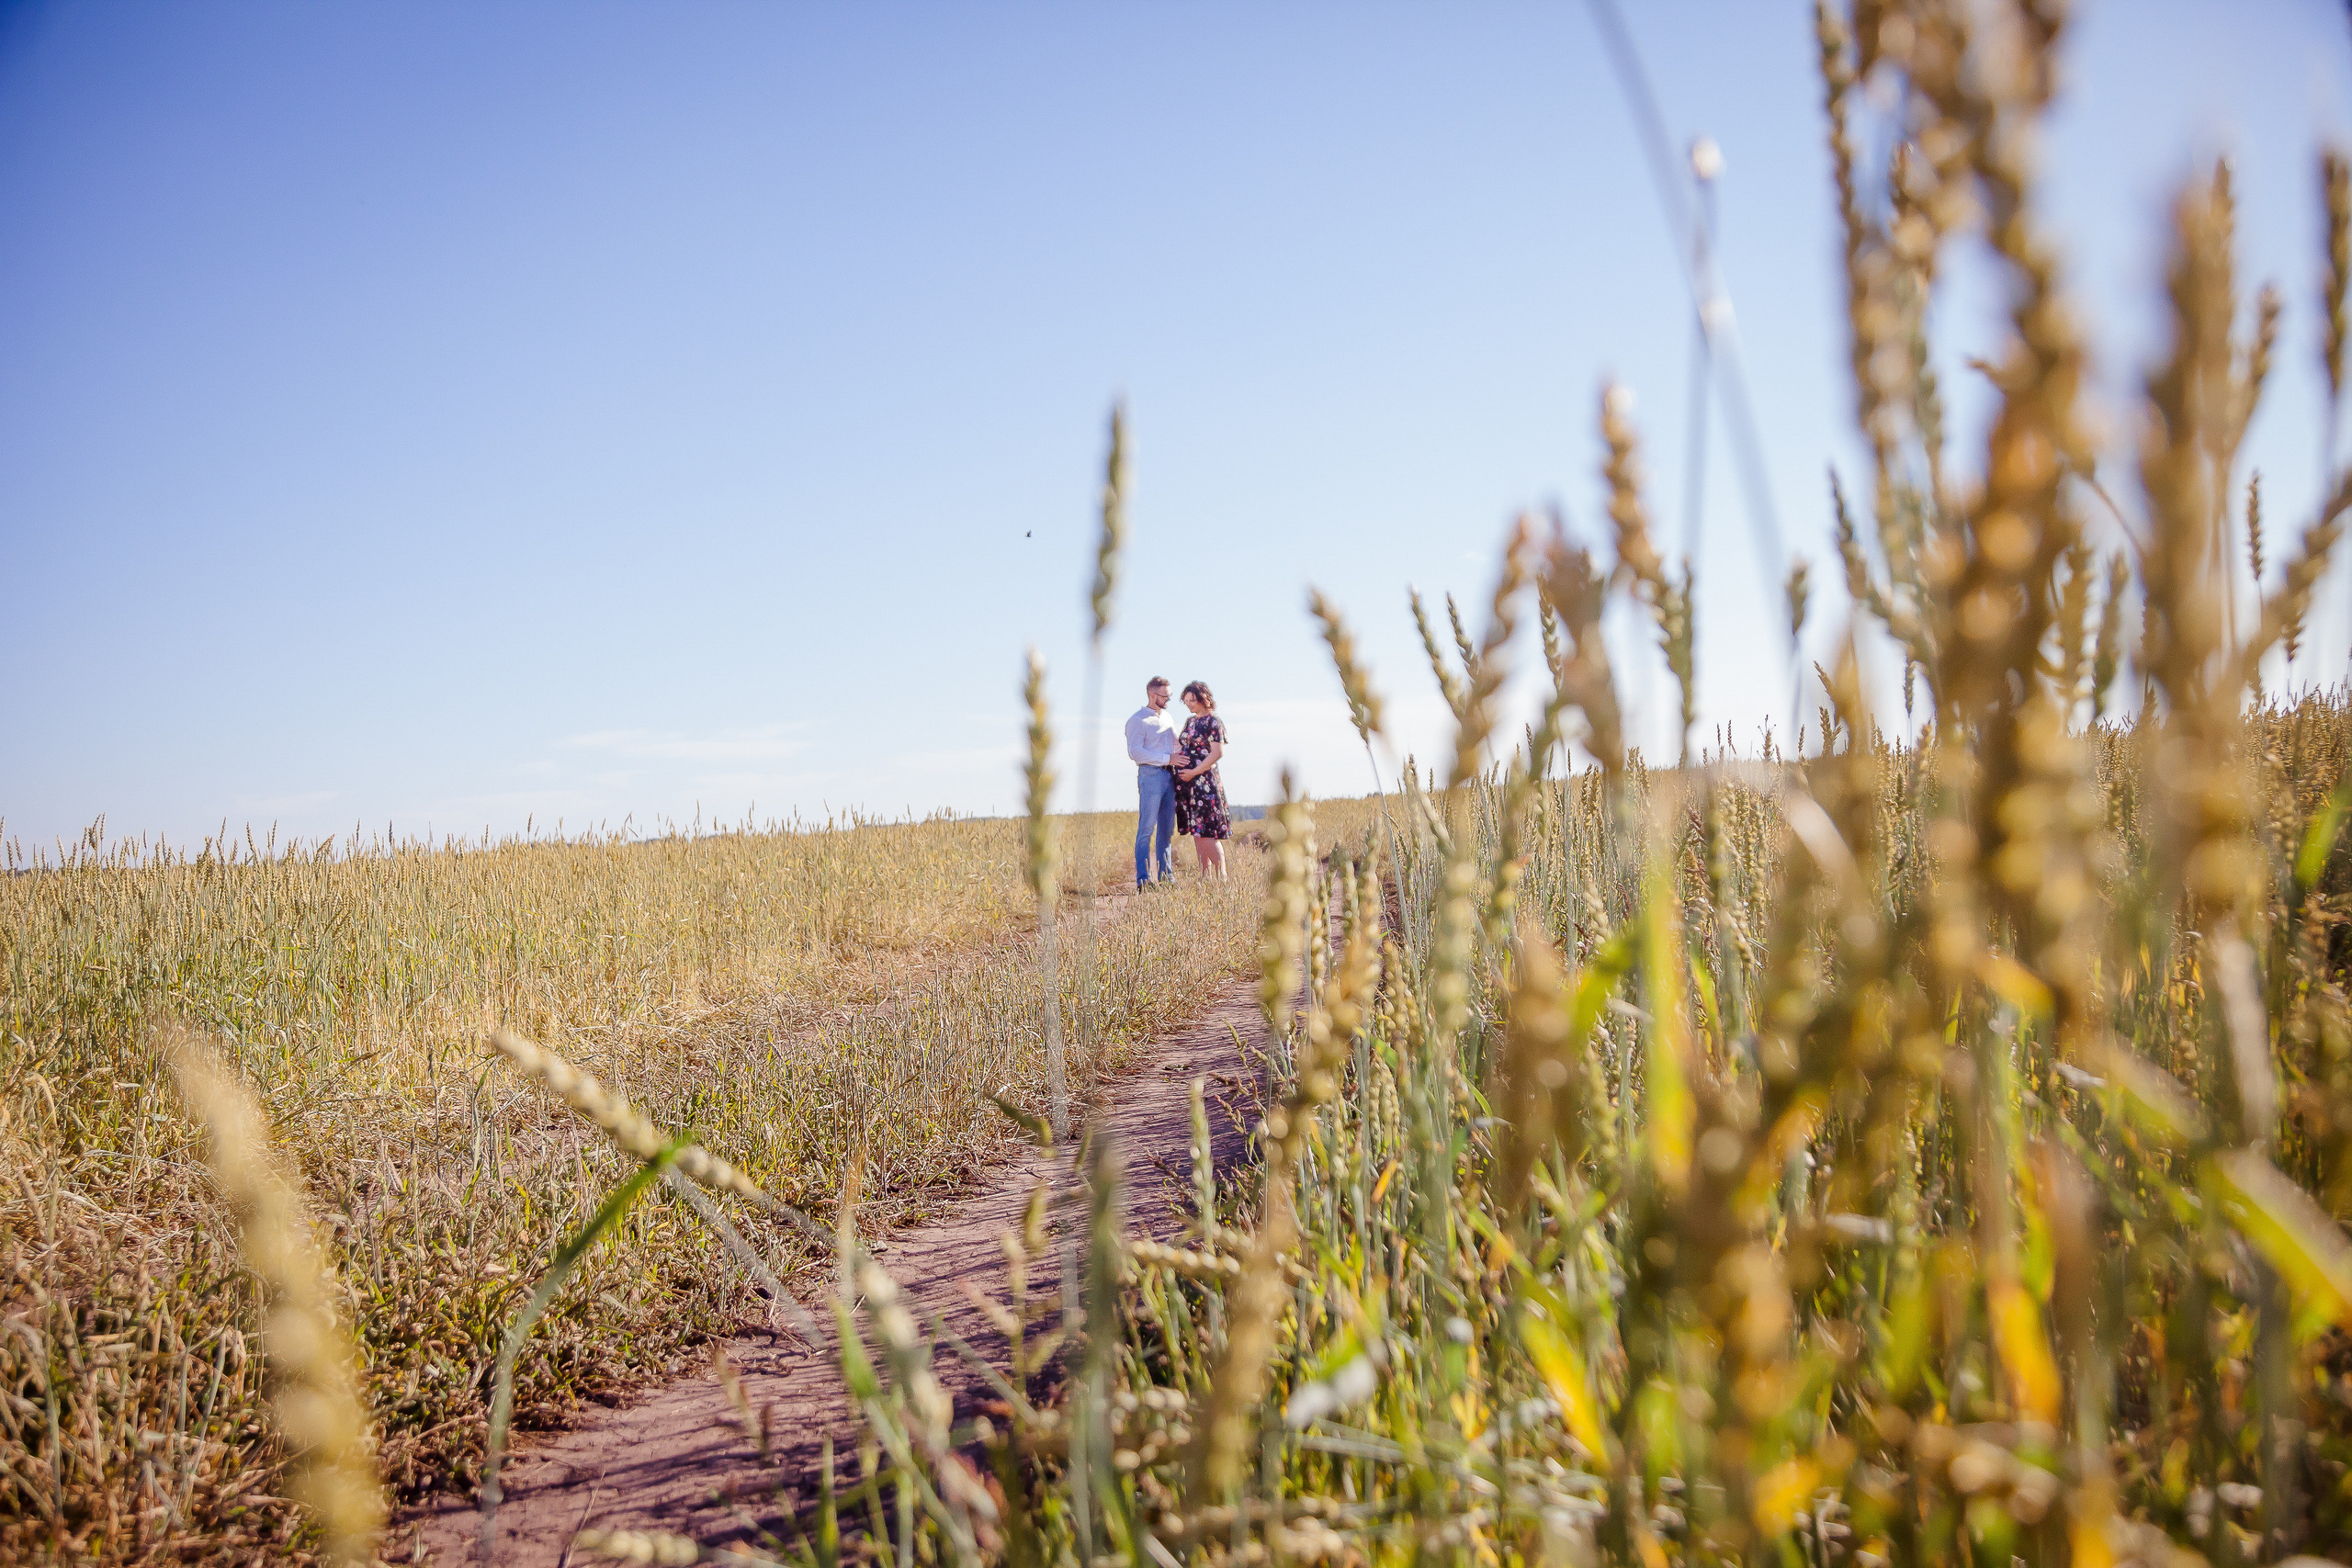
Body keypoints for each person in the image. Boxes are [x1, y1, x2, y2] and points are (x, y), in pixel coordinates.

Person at [1125, 675, 1182, 889]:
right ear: (1152, 694)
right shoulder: (1137, 720)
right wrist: (1167, 759)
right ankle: (1143, 880)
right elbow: (1135, 752)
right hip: (1150, 776)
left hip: (1170, 776)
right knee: (1147, 828)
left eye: (1169, 696)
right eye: (1164, 696)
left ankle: (1166, 879)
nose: (1167, 700)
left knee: (1166, 830)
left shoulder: (1167, 718)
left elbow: (1175, 746)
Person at [1172, 681, 1230, 878]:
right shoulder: (1191, 721)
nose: (1189, 705)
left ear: (1203, 699)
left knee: (1207, 832)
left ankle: (1222, 877)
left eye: (1192, 700)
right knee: (1198, 832)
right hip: (1189, 784)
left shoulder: (1213, 721)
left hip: (1204, 782)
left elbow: (1217, 753)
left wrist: (1194, 772)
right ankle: (1205, 876)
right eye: (1186, 701)